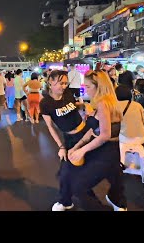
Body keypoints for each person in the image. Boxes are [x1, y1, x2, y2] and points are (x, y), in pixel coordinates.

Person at [66, 70, 127, 211]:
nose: (85, 89)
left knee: (78, 185)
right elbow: (93, 131)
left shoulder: (103, 104)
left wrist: (81, 150)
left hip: (104, 153)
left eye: (88, 86)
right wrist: (77, 146)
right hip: (111, 151)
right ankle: (118, 203)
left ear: (98, 86)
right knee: (116, 185)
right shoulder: (109, 102)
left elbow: (104, 135)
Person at [40, 70, 90, 211]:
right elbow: (50, 127)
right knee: (65, 172)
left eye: (65, 83)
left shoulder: (68, 94)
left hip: (85, 133)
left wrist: (84, 107)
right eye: (60, 83)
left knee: (94, 166)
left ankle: (115, 200)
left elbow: (75, 108)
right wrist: (61, 146)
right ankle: (66, 201)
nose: (63, 86)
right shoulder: (45, 104)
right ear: (50, 82)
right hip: (69, 139)